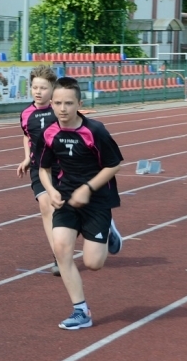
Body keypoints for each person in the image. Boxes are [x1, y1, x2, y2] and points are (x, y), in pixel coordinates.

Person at [38, 77, 124, 331]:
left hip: (96, 200)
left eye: (68, 103)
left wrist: (87, 189)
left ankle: (108, 229)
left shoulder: (95, 131)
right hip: (65, 198)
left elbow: (114, 164)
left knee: (93, 264)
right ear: (51, 104)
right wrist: (51, 190)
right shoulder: (50, 132)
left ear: (79, 104)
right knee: (62, 248)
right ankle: (80, 311)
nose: (62, 109)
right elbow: (43, 168)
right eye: (58, 103)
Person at [17, 65, 60, 275]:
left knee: (69, 208)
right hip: (39, 166)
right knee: (46, 206)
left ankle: (103, 224)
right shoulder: (25, 113)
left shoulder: (60, 110)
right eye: (35, 87)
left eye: (43, 88)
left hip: (63, 166)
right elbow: (27, 135)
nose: (38, 91)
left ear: (52, 89)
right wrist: (26, 157)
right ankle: (58, 256)